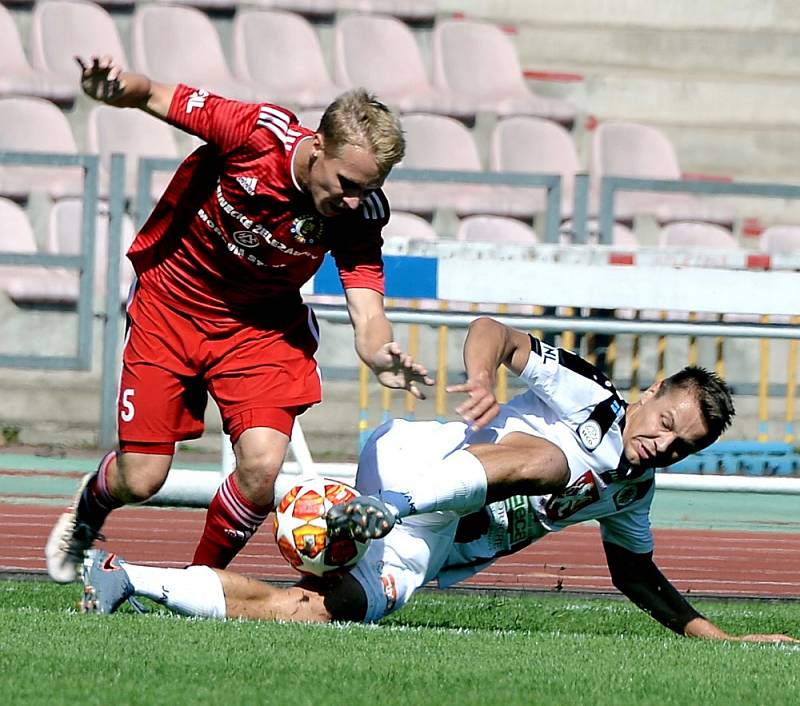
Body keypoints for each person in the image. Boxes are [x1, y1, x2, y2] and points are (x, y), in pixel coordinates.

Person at [79, 317, 796, 643]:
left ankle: (124, 579)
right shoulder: (593, 398)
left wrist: (720, 637)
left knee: (312, 614)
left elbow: (636, 574)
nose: (659, 444)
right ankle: (376, 511)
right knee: (552, 464)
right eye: (665, 421)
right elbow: (495, 330)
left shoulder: (633, 491)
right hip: (414, 471)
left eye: (679, 447)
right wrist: (482, 377)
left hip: (427, 542)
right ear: (653, 390)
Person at [45, 55, 433, 584]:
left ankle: (198, 586)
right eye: (346, 183)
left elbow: (368, 307)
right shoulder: (255, 133)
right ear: (317, 145)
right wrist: (113, 88)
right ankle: (89, 509)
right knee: (142, 478)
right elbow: (157, 94)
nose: (354, 199)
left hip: (260, 329)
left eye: (368, 188)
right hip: (171, 305)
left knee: (260, 468)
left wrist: (380, 352)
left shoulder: (360, 213)